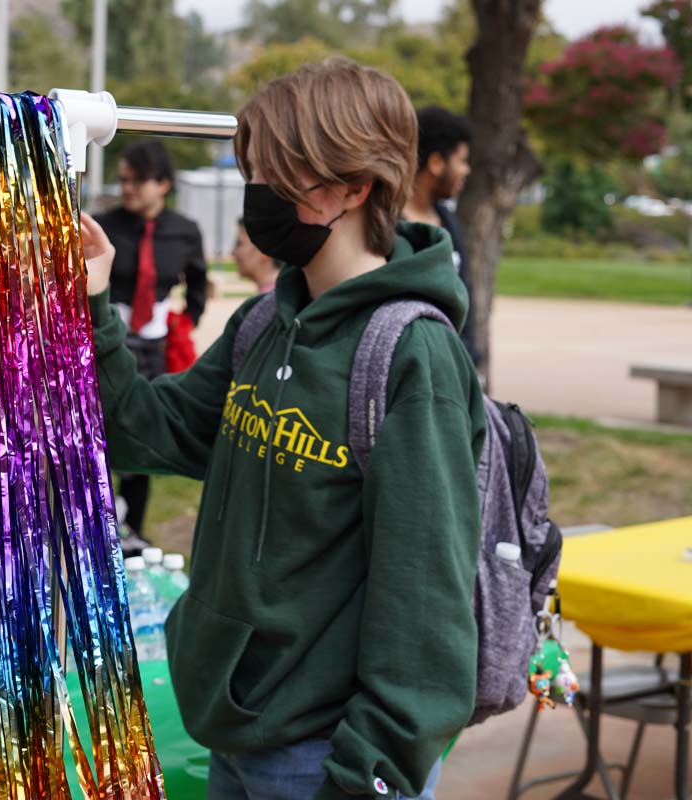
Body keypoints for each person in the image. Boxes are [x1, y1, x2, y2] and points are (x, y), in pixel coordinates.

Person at [80, 58, 485, 800]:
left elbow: (424, 616)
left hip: (325, 760)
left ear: (354, 188)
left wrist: (364, 775)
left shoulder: (411, 356)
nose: (253, 197)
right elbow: (150, 431)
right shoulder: (268, 317)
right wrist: (94, 301)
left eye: (273, 176)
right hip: (235, 733)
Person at [95, 139, 208, 550]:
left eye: (137, 181)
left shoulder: (185, 231)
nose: (127, 188)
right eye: (123, 180)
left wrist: (186, 319)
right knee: (100, 434)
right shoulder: (103, 224)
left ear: (162, 184)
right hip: (110, 335)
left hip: (155, 343)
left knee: (141, 430)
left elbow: (198, 282)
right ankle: (98, 525)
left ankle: (135, 531)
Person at [402, 106, 481, 368]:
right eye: (461, 160)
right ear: (436, 163)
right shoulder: (388, 226)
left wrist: (468, 358)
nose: (466, 170)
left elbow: (464, 296)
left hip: (453, 367)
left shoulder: (448, 222)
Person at [232, 217, 281, 294]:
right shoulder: (282, 294)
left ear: (264, 249)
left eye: (239, 244)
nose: (233, 252)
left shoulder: (271, 301)